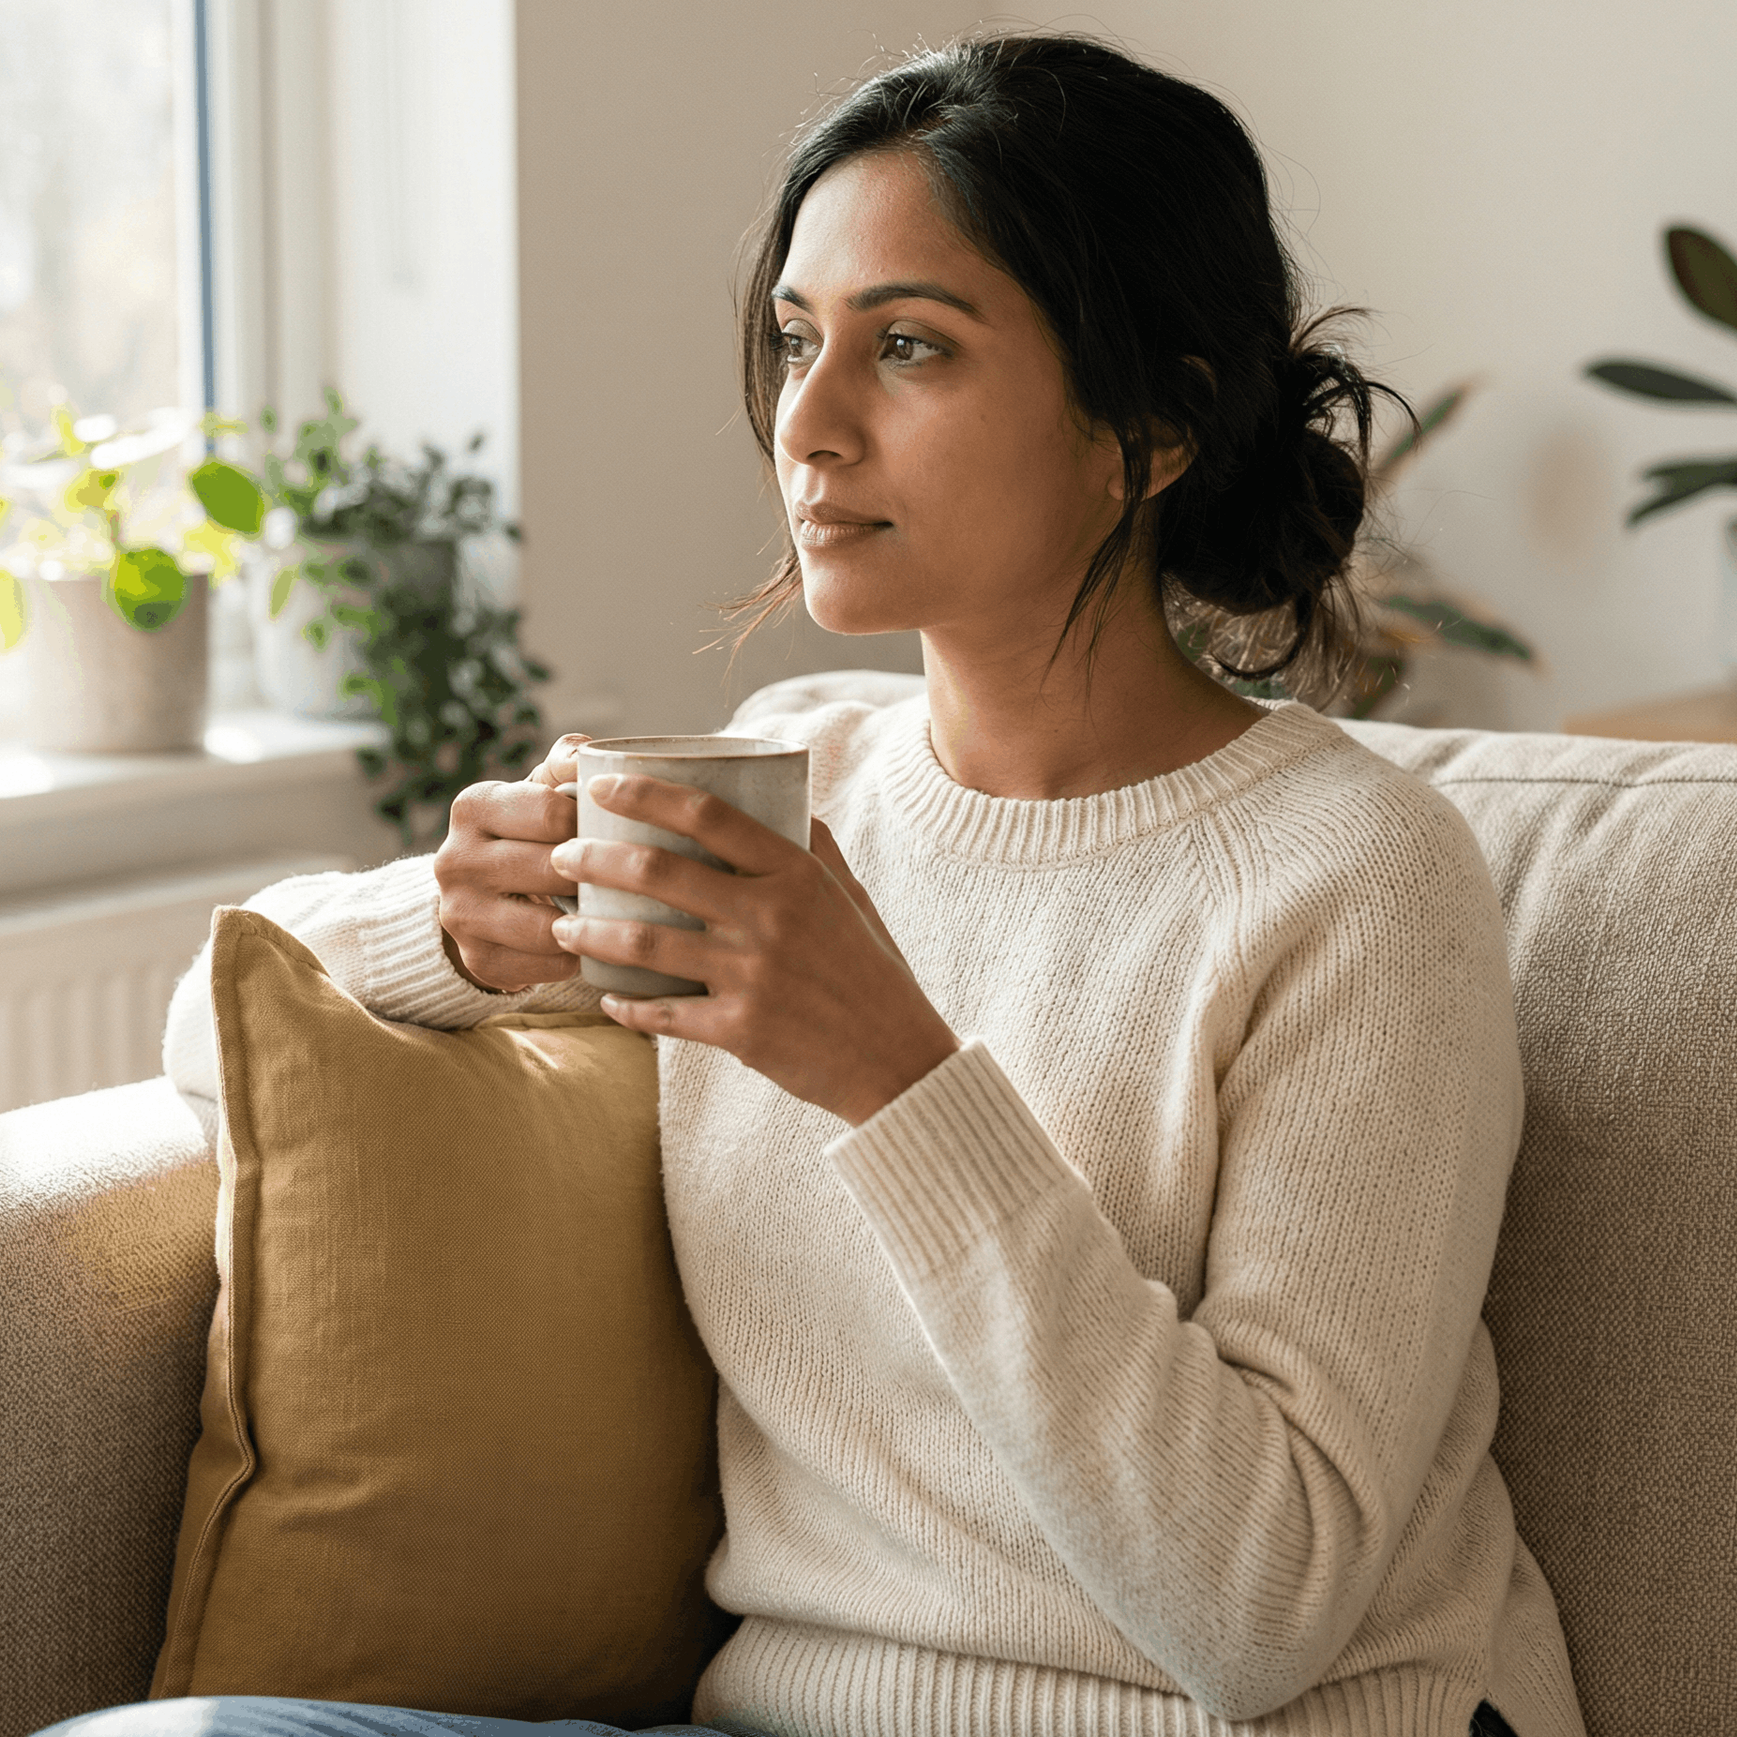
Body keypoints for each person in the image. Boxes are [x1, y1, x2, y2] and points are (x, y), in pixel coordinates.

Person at [49, 33, 1582, 1737]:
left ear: (1150, 429)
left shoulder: (1354, 882)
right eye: (797, 341)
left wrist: (894, 1076)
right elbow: (218, 1021)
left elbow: (1261, 1607)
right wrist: (458, 938)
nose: (808, 423)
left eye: (908, 347)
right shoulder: (792, 787)